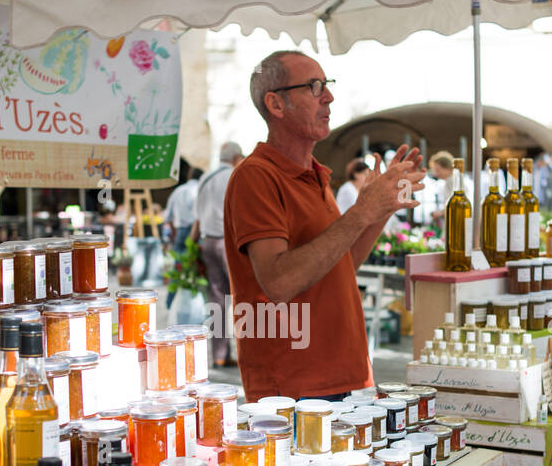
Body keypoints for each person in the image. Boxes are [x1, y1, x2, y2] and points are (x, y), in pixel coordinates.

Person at [224, 50, 425, 401]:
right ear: (276, 104)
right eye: (315, 87)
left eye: (327, 85)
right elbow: (280, 281)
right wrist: (362, 211)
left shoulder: (315, 174)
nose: (328, 96)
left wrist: (382, 209)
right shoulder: (255, 176)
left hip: (345, 376)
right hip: (296, 388)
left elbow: (341, 264)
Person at [190, 141, 243, 366]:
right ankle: (246, 353)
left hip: (207, 242)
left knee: (217, 299)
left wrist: (190, 246)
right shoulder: (235, 176)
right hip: (227, 243)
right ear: (236, 157)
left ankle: (220, 355)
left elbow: (198, 217)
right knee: (241, 296)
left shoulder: (205, 178)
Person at [163, 166, 202, 307]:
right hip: (195, 231)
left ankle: (170, 302)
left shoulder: (178, 191)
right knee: (197, 269)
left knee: (177, 267)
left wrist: (174, 232)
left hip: (180, 231)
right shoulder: (200, 190)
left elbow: (168, 217)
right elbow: (200, 217)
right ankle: (195, 306)